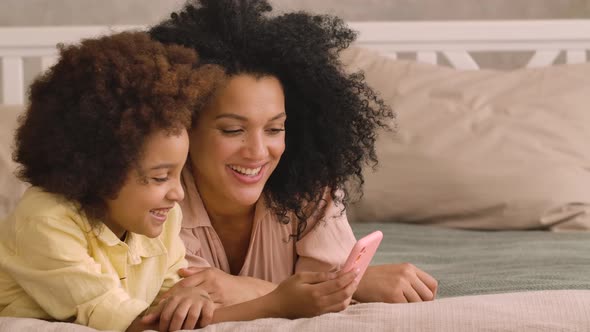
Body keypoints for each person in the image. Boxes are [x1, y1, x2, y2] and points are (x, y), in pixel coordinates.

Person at [148, 0, 439, 320]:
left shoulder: (309, 185)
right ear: (184, 126)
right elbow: (176, 307)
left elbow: (327, 307)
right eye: (233, 130)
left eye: (275, 128)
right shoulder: (155, 199)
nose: (258, 151)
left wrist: (242, 288)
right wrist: (355, 285)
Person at [0, 31, 227, 331]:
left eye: (179, 174)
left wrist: (191, 297)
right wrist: (274, 305)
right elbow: (134, 320)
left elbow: (170, 297)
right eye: (160, 177)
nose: (179, 194)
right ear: (101, 169)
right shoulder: (44, 220)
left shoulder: (163, 220)